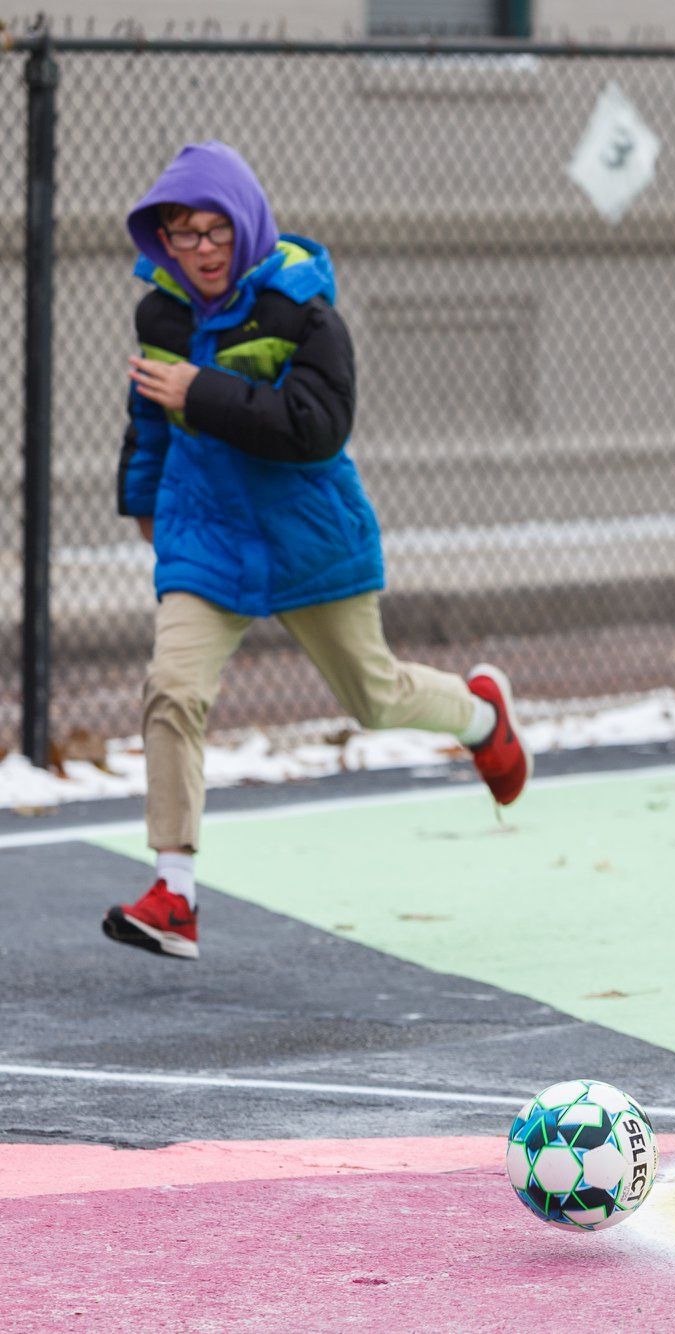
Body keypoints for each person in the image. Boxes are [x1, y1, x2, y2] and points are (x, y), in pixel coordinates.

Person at [104, 142, 530, 962]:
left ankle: (482, 717)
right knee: (172, 689)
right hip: (207, 540)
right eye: (180, 234)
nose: (199, 249)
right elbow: (149, 415)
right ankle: (175, 894)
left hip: (308, 537)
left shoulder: (305, 313)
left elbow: (315, 428)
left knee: (374, 699)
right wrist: (144, 505)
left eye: (213, 230)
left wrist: (204, 392)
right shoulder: (159, 315)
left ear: (246, 226)